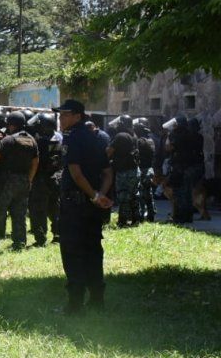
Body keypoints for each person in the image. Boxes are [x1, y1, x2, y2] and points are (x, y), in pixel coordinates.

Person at [54, 99, 113, 314]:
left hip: (75, 206)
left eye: (65, 115)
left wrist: (94, 195)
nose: (61, 119)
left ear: (77, 116)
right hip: (92, 207)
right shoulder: (97, 138)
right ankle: (97, 300)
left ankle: (75, 304)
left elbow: (76, 174)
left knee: (72, 252)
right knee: (93, 250)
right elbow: (108, 173)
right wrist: (99, 195)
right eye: (60, 115)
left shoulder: (72, 137)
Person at [0, 110, 39, 252]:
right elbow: (35, 162)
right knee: (19, 214)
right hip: (23, 181)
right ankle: (19, 243)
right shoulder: (31, 140)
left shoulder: (9, 140)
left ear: (11, 124)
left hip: (6, 182)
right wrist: (29, 179)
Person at [28, 112, 63, 246]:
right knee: (55, 207)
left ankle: (40, 238)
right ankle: (58, 234)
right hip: (56, 177)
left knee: (38, 209)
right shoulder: (59, 137)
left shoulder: (39, 141)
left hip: (41, 178)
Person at [107, 115, 141, 228]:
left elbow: (109, 152)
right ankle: (136, 219)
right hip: (134, 170)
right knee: (134, 195)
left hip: (124, 171)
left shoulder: (120, 136)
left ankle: (123, 221)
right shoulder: (134, 135)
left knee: (123, 196)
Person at [133, 118, 157, 222]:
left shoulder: (140, 141)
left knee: (142, 194)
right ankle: (151, 214)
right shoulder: (150, 140)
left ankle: (141, 215)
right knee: (149, 194)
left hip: (143, 169)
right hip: (149, 169)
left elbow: (136, 155)